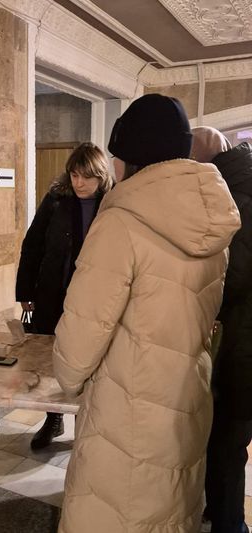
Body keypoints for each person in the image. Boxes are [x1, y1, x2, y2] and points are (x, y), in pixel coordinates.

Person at [52, 94, 241, 533]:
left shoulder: (121, 222)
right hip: (186, 397)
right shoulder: (211, 220)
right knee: (168, 511)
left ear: (132, 158)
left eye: (116, 156)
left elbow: (82, 335)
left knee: (116, 512)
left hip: (128, 405)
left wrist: (67, 376)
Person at [16, 142, 114, 449]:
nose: (79, 182)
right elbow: (33, 244)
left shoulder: (114, 202)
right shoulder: (56, 199)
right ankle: (53, 418)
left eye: (87, 176)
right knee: (52, 358)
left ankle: (86, 424)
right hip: (53, 292)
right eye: (74, 175)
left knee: (91, 359)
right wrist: (25, 291)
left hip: (96, 298)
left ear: (101, 176)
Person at [192, 127, 252, 533]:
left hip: (241, 341)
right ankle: (218, 511)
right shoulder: (240, 183)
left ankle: (230, 524)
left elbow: (234, 275)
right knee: (226, 437)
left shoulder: (236, 196)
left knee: (227, 440)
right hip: (239, 336)